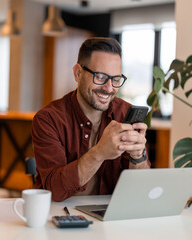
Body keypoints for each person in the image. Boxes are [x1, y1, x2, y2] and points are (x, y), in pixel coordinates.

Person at [31, 37, 150, 202]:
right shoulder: (49, 119)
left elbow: (141, 193)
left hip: (109, 217)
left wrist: (138, 157)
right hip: (58, 215)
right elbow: (55, 190)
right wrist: (99, 152)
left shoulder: (124, 114)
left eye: (116, 80)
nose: (109, 89)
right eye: (100, 77)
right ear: (78, 73)